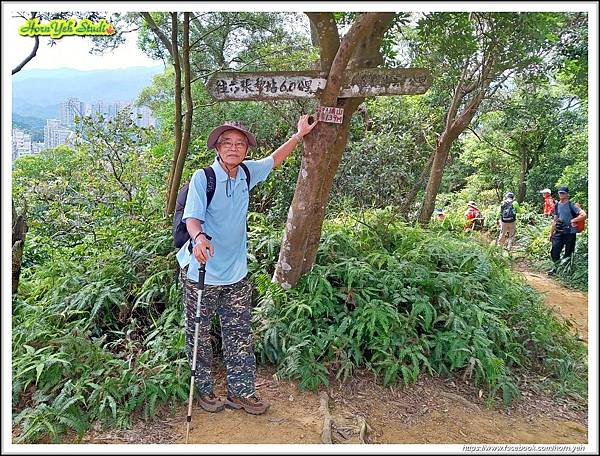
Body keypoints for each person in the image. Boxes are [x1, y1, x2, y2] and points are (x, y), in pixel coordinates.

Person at [176, 115, 318, 414]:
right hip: (201, 273)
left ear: (246, 150)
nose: (233, 148)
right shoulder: (204, 178)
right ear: (216, 147)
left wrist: (298, 135)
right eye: (227, 142)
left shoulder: (246, 173)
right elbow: (191, 218)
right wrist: (199, 238)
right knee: (199, 334)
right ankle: (203, 390)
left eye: (239, 144)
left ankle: (242, 392)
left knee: (239, 335)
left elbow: (273, 160)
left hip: (236, 275)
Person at [547, 186, 587, 275]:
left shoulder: (571, 205)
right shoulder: (557, 205)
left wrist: (573, 220)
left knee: (568, 253)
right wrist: (551, 233)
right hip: (559, 231)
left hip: (570, 232)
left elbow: (583, 215)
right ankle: (557, 266)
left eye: (563, 193)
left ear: (567, 194)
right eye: (560, 193)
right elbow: (555, 219)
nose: (561, 194)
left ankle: (565, 271)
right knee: (554, 251)